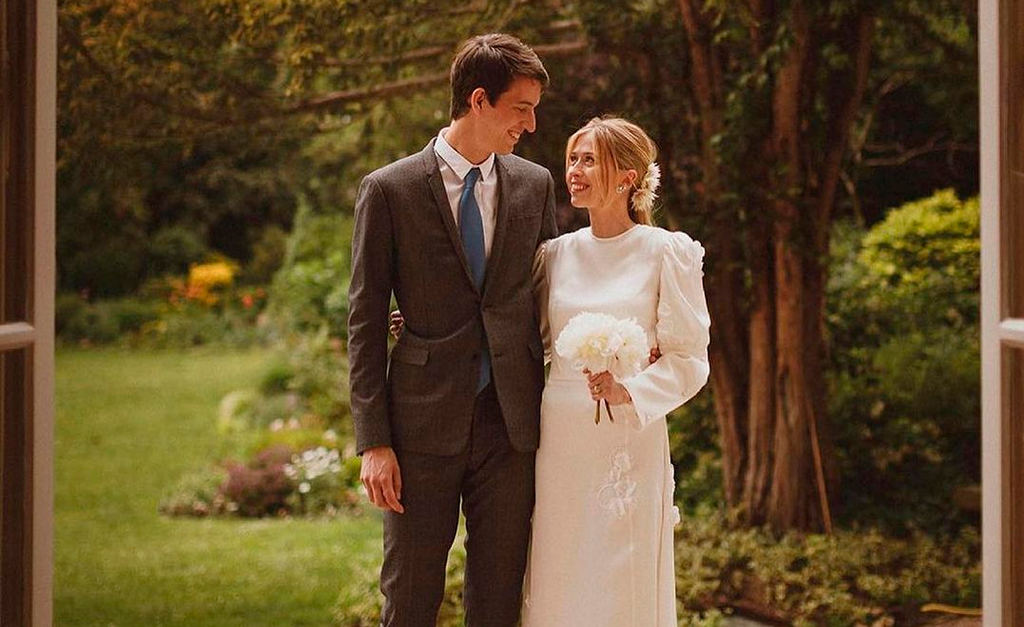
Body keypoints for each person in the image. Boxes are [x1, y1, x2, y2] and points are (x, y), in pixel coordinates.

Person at [346, 34, 557, 627]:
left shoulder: (535, 184)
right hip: (418, 428)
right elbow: (364, 319)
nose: (531, 125)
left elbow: (549, 295)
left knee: (498, 603)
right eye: (521, 108)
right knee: (411, 600)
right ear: (479, 100)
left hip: (509, 427)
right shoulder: (389, 190)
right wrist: (374, 441)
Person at [521, 116, 711, 627]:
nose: (574, 171)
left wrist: (629, 390)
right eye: (572, 159)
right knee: (561, 566)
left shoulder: (666, 252)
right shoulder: (554, 255)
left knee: (620, 573)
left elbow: (690, 359)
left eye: (589, 160)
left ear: (628, 177)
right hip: (559, 438)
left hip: (628, 438)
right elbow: (521, 341)